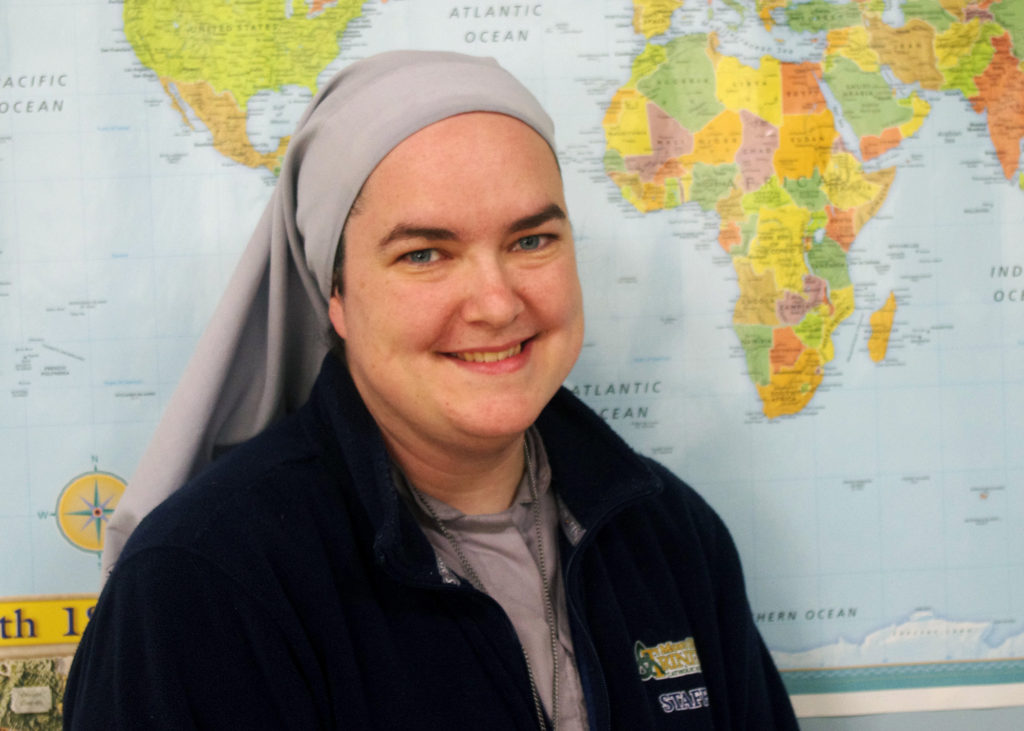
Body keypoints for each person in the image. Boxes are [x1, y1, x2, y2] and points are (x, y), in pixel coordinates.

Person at [64, 51, 797, 730]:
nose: (496, 302)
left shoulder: (669, 535)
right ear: (338, 296)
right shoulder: (200, 588)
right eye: (424, 253)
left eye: (532, 241)